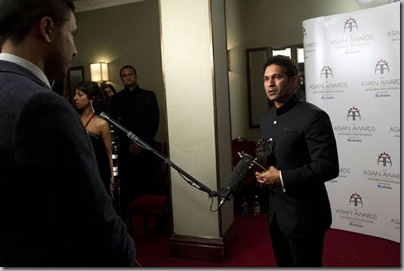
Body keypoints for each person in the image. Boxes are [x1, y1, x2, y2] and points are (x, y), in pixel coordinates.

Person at [0, 0, 135, 267]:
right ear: (48, 29)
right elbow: (98, 233)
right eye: (72, 35)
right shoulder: (43, 106)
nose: (75, 50)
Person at [254, 55, 339, 267]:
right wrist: (264, 173)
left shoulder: (313, 117)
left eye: (277, 77)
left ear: (293, 81)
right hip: (276, 214)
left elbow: (327, 167)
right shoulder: (266, 117)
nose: (270, 84)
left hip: (305, 215)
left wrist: (281, 177)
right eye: (266, 79)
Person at [109, 65, 160, 218]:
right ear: (122, 79)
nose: (128, 77)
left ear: (136, 76)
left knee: (148, 185)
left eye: (131, 74)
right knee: (129, 189)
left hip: (146, 149)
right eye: (125, 75)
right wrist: (129, 145)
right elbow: (115, 127)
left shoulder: (149, 96)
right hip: (126, 151)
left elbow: (154, 122)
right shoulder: (116, 100)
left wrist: (141, 144)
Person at [74, 81, 114, 197]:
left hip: (98, 173)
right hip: (79, 172)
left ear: (92, 98)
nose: (75, 98)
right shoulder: (74, 119)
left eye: (80, 95)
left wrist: (112, 180)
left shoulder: (101, 123)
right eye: (75, 94)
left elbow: (110, 152)